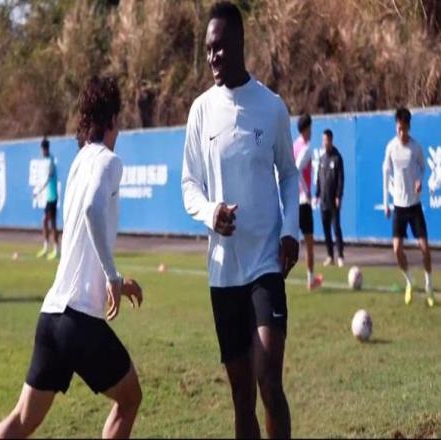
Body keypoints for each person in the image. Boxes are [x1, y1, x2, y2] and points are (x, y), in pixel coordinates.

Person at [0, 76, 144, 439]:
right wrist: (112, 276)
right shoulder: (109, 161)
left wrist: (117, 282)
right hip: (79, 322)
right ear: (113, 119)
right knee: (130, 398)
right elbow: (92, 210)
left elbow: (81, 245)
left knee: (22, 419)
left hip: (51, 317)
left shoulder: (78, 162)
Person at [181, 2, 299, 438]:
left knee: (269, 380)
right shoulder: (200, 111)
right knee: (241, 395)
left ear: (239, 43)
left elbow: (289, 174)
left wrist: (290, 231)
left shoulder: (271, 107)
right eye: (207, 49)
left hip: (265, 265)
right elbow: (189, 185)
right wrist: (210, 212)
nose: (212, 57)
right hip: (223, 273)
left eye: (219, 47)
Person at [383, 107, 434, 307]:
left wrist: (419, 180)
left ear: (409, 127)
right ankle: (409, 281)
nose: (402, 132)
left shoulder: (415, 147)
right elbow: (386, 173)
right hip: (399, 206)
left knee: (425, 249)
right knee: (397, 250)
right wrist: (386, 203)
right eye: (399, 128)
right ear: (396, 127)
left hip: (414, 206)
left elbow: (423, 167)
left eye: (404, 129)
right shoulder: (391, 148)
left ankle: (429, 286)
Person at [293, 114, 323, 291]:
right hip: (303, 202)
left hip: (292, 201)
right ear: (306, 129)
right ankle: (310, 280)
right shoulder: (306, 148)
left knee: (288, 241)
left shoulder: (294, 145)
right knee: (309, 243)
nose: (311, 132)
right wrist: (307, 192)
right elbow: (297, 169)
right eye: (310, 128)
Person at [316, 129, 345, 267]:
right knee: (326, 229)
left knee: (336, 228)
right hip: (323, 201)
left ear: (331, 140)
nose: (325, 143)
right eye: (323, 140)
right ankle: (330, 256)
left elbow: (341, 179)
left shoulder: (337, 158)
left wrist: (338, 196)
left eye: (327, 140)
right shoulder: (322, 159)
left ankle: (340, 256)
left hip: (333, 201)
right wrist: (317, 194)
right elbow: (318, 178)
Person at [35, 137, 60, 260]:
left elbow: (48, 178)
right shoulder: (46, 160)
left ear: (45, 149)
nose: (42, 151)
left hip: (52, 196)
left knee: (51, 223)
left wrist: (38, 191)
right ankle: (46, 248)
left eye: (43, 149)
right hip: (49, 196)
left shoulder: (50, 161)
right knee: (46, 221)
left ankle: (56, 250)